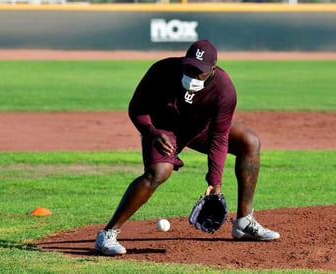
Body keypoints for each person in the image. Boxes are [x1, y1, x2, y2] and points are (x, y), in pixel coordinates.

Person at [95, 39, 280, 256]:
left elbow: (220, 137)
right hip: (163, 130)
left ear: (212, 69)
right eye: (189, 67)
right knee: (158, 172)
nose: (192, 75)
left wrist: (215, 182)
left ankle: (244, 222)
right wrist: (151, 133)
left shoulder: (224, 89)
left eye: (199, 71)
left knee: (250, 142)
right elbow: (137, 108)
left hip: (201, 129)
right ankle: (107, 234)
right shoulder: (162, 70)